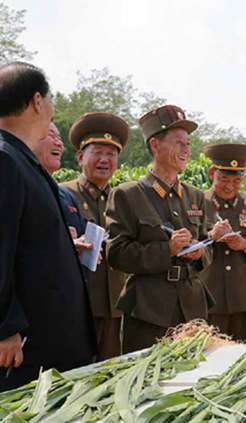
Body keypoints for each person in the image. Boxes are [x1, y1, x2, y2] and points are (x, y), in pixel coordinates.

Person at [0, 62, 96, 391]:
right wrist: (5, 327)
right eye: (52, 100)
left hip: (50, 336)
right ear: (38, 102)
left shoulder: (22, 160)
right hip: (26, 344)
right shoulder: (5, 160)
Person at [105, 105, 217, 353]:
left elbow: (207, 246)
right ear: (155, 146)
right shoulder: (127, 194)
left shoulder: (195, 195)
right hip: (149, 311)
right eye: (179, 143)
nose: (187, 150)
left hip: (193, 309)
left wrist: (200, 254)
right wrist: (167, 249)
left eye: (188, 144)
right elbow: (116, 254)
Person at [60, 113, 129, 360]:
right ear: (80, 157)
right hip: (78, 308)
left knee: (112, 376)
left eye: (111, 154)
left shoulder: (123, 199)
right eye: (97, 152)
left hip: (117, 307)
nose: (104, 160)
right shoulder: (62, 194)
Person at [200, 143, 246, 343]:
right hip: (209, 299)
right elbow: (186, 245)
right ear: (211, 173)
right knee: (208, 358)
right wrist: (210, 236)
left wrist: (245, 245)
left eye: (237, 180)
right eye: (223, 179)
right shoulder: (197, 202)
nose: (229, 186)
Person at [32, 122, 87, 245]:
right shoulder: (19, 187)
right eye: (50, 136)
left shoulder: (67, 197)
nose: (59, 144)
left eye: (59, 138)